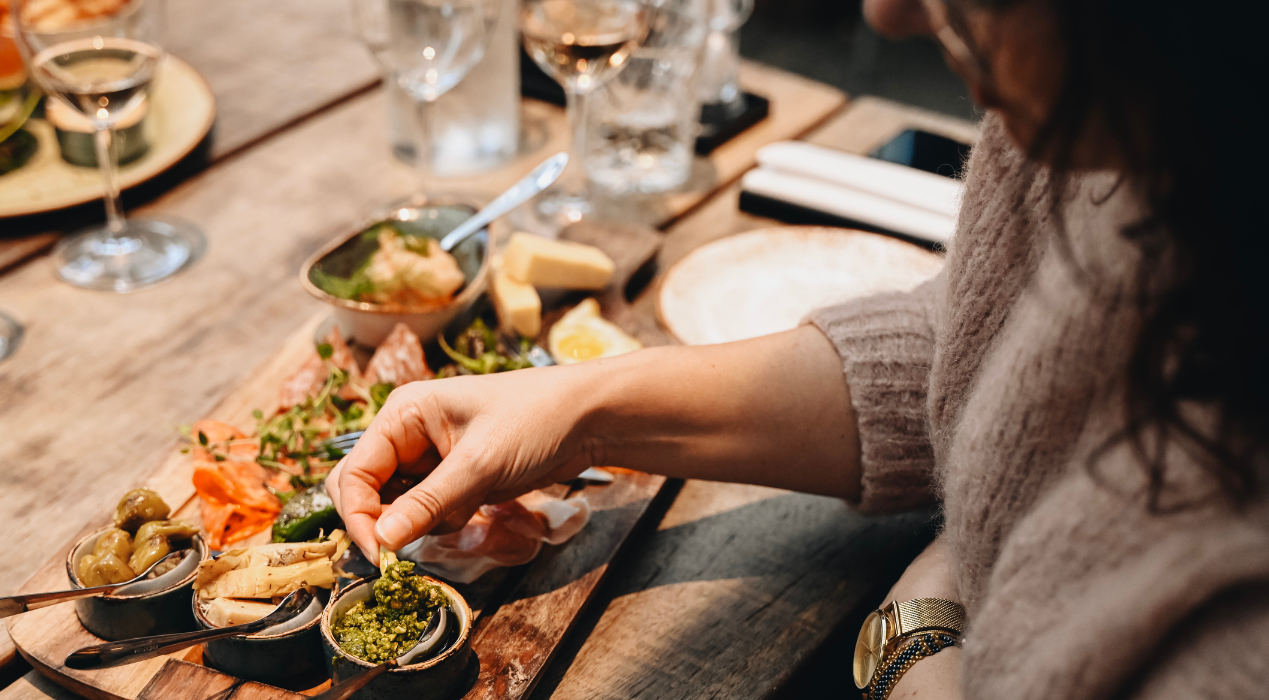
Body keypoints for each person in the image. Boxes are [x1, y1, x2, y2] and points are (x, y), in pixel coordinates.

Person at [326, 0, 1269, 696]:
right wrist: (581, 410)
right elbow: (987, 348)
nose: (886, 16)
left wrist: (922, 623)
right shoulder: (1136, 113)